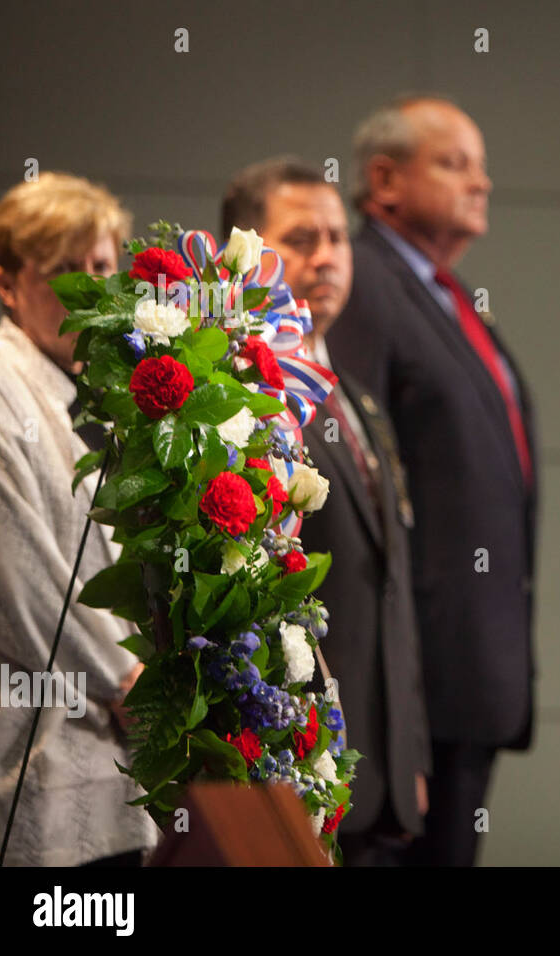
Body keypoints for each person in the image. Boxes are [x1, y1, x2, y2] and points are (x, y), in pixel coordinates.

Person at [329, 95, 537, 866]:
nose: (480, 183)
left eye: (482, 167)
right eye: (455, 164)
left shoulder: (445, 298)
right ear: (385, 180)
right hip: (415, 686)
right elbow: (356, 485)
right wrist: (399, 684)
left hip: (465, 677)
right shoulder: (367, 287)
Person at [220, 157, 432, 864]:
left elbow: (392, 594)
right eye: (302, 238)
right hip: (295, 768)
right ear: (244, 252)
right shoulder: (240, 403)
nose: (327, 256)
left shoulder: (359, 398)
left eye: (338, 237)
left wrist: (411, 752)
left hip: (383, 778)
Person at [0, 172, 157, 866]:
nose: (90, 291)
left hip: (118, 757)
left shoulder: (107, 396)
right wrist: (123, 679)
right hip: (40, 754)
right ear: (6, 283)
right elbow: (14, 577)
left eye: (102, 267)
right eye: (63, 271)